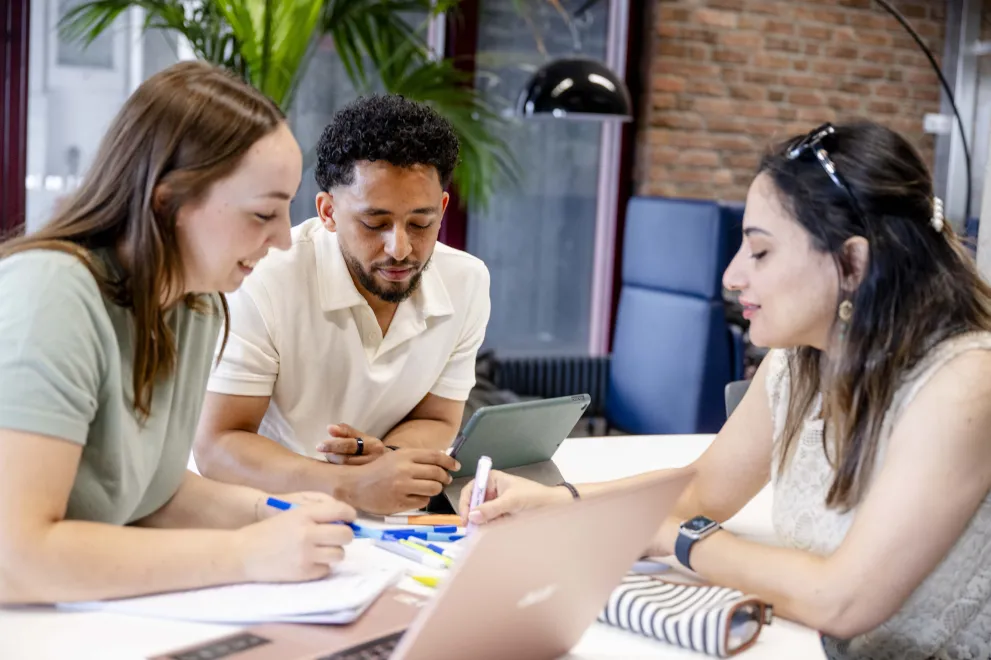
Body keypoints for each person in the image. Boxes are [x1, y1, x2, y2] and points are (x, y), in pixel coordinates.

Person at [460, 122, 991, 659]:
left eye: (759, 252)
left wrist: (680, 539)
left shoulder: (965, 384)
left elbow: (842, 600)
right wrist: (559, 503)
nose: (732, 278)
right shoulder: (800, 362)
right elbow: (704, 487)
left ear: (852, 264)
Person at [0, 61, 357, 604]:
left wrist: (274, 512)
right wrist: (249, 556)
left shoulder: (196, 304)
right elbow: (16, 559)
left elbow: (150, 495)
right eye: (263, 214)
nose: (284, 241)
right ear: (168, 203)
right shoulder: (51, 293)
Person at [193, 94, 490, 515]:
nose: (400, 248)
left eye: (421, 223)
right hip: (272, 512)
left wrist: (386, 458)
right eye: (375, 223)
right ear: (328, 211)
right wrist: (350, 484)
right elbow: (217, 446)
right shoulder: (266, 277)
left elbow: (440, 419)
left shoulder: (467, 282)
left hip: (387, 519)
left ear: (442, 209)